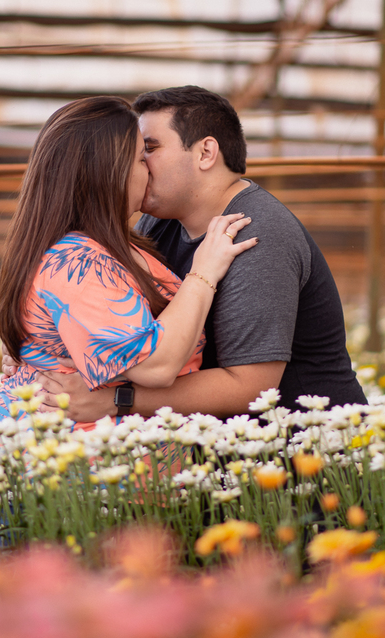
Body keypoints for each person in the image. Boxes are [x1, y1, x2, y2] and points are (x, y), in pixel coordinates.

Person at [32, 85, 366, 421]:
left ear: (206, 153)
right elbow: (108, 319)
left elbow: (249, 388)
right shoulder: (154, 225)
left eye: (150, 148)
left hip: (301, 453)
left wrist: (118, 400)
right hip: (221, 455)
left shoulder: (256, 233)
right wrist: (40, 349)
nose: (140, 163)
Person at [0, 95, 257, 447]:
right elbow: (154, 366)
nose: (150, 168)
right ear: (107, 172)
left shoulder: (118, 244)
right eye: (142, 157)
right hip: (70, 479)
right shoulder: (77, 262)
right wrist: (203, 272)